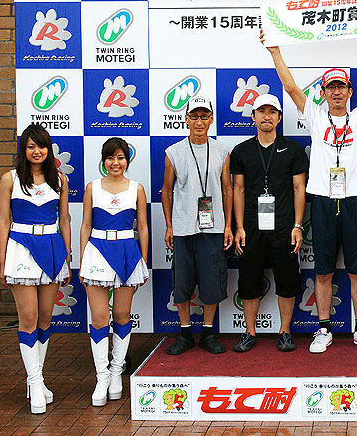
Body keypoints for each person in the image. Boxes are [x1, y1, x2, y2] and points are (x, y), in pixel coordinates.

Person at [262, 33, 357, 353]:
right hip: (322, 200)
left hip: (353, 201)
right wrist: (275, 51)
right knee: (323, 271)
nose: (337, 92)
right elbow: (291, 88)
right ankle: (323, 329)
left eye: (341, 87)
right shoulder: (315, 115)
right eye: (331, 87)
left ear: (349, 92)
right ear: (323, 93)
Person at [0, 124, 70, 414]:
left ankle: (35, 378)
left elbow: (64, 219)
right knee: (28, 318)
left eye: (41, 146)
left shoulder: (59, 180)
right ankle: (36, 383)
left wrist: (66, 256)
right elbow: (4, 221)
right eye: (30, 146)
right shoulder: (10, 179)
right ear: (23, 150)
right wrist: (3, 261)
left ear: (48, 149)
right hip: (21, 248)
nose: (36, 151)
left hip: (51, 247)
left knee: (45, 318)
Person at [230, 93, 308, 353]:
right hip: (251, 227)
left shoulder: (293, 150)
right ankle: (250, 331)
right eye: (261, 111)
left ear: (279, 117)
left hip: (284, 227)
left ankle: (284, 331)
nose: (267, 116)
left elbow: (299, 189)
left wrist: (298, 225)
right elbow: (238, 189)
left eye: (272, 112)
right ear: (253, 116)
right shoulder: (241, 151)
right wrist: (239, 227)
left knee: (287, 280)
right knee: (249, 281)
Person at [79, 137, 149, 406]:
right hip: (97, 251)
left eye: (120, 158)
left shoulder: (137, 188)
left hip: (127, 252)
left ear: (127, 160)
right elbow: (85, 225)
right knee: (99, 318)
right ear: (103, 160)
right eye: (110, 157)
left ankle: (117, 372)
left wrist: (142, 260)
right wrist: (84, 259)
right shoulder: (92, 187)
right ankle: (102, 377)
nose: (115, 163)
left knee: (121, 315)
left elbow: (142, 226)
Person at [161, 96, 233, 355]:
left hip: (213, 228)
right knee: (182, 283)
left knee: (212, 281)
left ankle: (207, 332)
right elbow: (166, 190)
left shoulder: (222, 151)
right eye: (194, 116)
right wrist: (169, 226)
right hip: (183, 228)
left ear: (211, 120)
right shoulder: (174, 152)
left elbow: (227, 189)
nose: (199, 121)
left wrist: (228, 225)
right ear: (186, 119)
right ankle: (184, 333)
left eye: (204, 116)